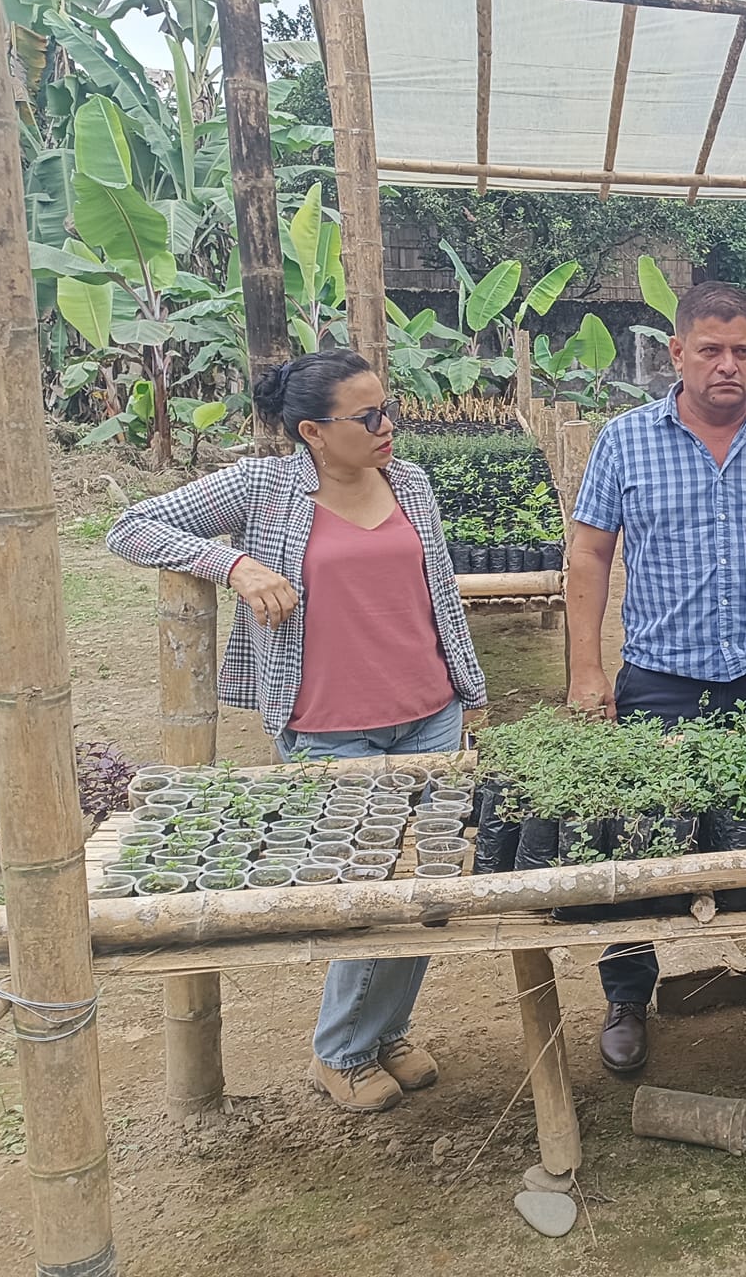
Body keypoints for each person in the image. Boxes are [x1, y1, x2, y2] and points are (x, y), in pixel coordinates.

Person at [107, 350, 487, 1113]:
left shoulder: (410, 483)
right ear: (312, 431)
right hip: (329, 729)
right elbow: (130, 527)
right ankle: (341, 1051)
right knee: (364, 893)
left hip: (430, 714)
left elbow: (437, 595)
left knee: (431, 887)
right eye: (369, 416)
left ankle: (386, 1032)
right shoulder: (263, 487)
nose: (388, 425)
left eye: (388, 408)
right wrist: (234, 565)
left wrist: (467, 689)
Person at [566, 280, 746, 1076]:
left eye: (743, 352)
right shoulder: (625, 440)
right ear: (677, 353)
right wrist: (586, 667)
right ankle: (628, 991)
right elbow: (589, 552)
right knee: (642, 832)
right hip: (658, 679)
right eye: (711, 350)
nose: (728, 365)